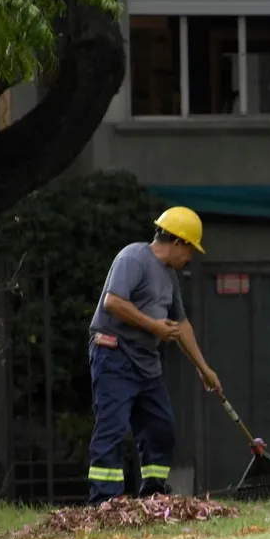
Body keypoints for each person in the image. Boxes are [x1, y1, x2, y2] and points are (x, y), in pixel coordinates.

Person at [85, 206, 223, 505]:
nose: (190, 258)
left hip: (146, 362)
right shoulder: (133, 258)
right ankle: (104, 502)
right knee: (113, 428)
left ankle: (154, 493)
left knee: (161, 427)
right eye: (190, 250)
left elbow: (182, 324)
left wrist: (204, 369)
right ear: (177, 242)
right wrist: (154, 327)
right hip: (114, 356)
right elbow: (112, 302)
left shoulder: (169, 277)